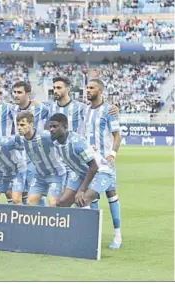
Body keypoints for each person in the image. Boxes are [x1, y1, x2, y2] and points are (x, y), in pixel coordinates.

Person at [83, 78, 122, 249]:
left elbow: (117, 135)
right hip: (90, 163)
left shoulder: (108, 110)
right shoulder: (85, 111)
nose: (88, 90)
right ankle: (94, 234)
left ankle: (117, 235)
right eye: (87, 88)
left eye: (92, 88)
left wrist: (112, 154)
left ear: (100, 91)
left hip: (105, 163)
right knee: (92, 196)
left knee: (111, 195)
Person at [49, 113, 116, 211]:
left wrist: (81, 190)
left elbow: (94, 167)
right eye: (50, 127)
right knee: (61, 203)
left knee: (82, 200)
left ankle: (91, 226)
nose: (51, 129)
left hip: (101, 172)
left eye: (55, 126)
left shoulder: (77, 143)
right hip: (81, 173)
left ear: (65, 127)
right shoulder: (55, 142)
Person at [16, 112, 67, 206]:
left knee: (53, 204)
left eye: (22, 125)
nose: (19, 127)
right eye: (18, 125)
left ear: (31, 125)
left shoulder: (45, 136)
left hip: (56, 174)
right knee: (30, 203)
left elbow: (65, 139)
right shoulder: (19, 139)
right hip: (40, 176)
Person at [11, 81, 49, 205]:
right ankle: (25, 222)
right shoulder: (11, 109)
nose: (16, 95)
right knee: (20, 193)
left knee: (36, 192)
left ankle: (41, 220)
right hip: (18, 157)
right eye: (14, 92)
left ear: (28, 94)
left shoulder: (40, 108)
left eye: (19, 92)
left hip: (35, 157)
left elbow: (51, 122)